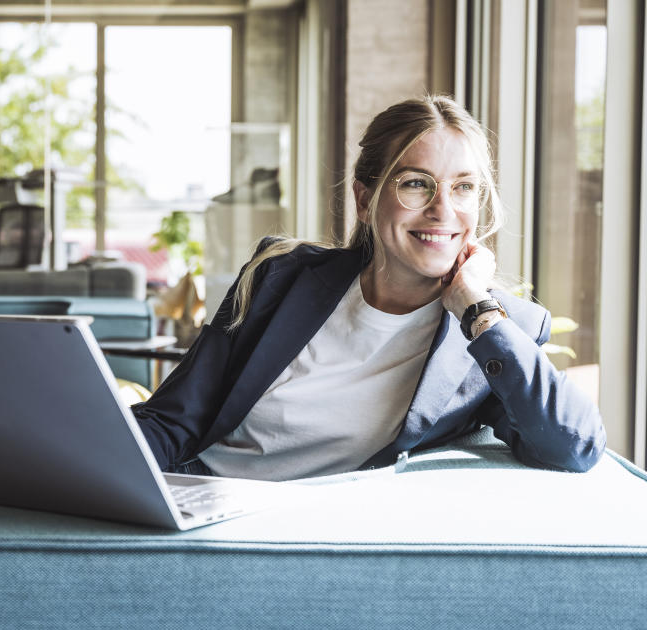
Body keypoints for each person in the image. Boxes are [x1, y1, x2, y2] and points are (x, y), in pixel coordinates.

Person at [132, 95, 605, 480]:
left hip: (312, 540)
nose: (444, 210)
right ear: (364, 199)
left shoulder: (491, 334)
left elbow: (576, 444)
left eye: (464, 187)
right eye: (417, 184)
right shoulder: (280, 275)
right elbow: (173, 420)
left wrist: (476, 308)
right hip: (200, 500)